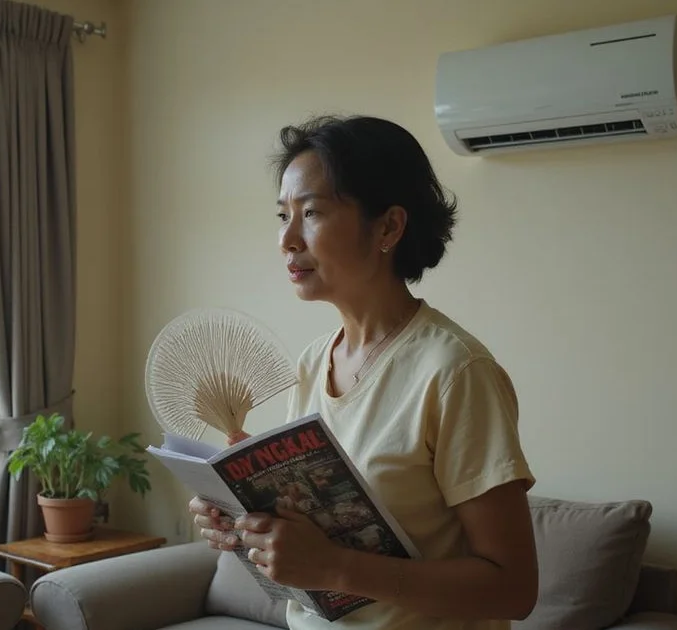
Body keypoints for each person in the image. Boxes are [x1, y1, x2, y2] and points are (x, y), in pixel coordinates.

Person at [189, 114, 538, 629]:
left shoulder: (455, 371)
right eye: (282, 214)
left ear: (389, 226)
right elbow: (316, 535)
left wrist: (336, 568)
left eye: (311, 213)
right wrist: (245, 521)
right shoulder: (314, 361)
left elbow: (513, 589)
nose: (287, 238)